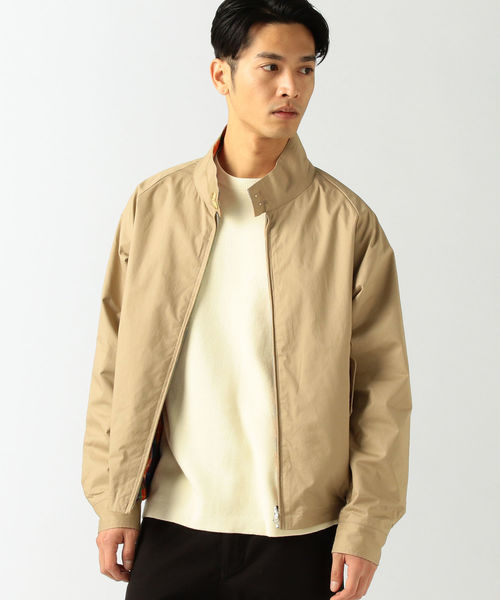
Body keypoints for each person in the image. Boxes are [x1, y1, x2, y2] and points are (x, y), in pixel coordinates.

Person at [81, 1, 412, 598]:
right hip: (172, 526)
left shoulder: (347, 224)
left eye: (306, 69)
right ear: (221, 75)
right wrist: (115, 501)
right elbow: (114, 363)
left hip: (301, 537)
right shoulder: (153, 208)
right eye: (271, 66)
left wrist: (365, 528)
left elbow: (382, 390)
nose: (291, 87)